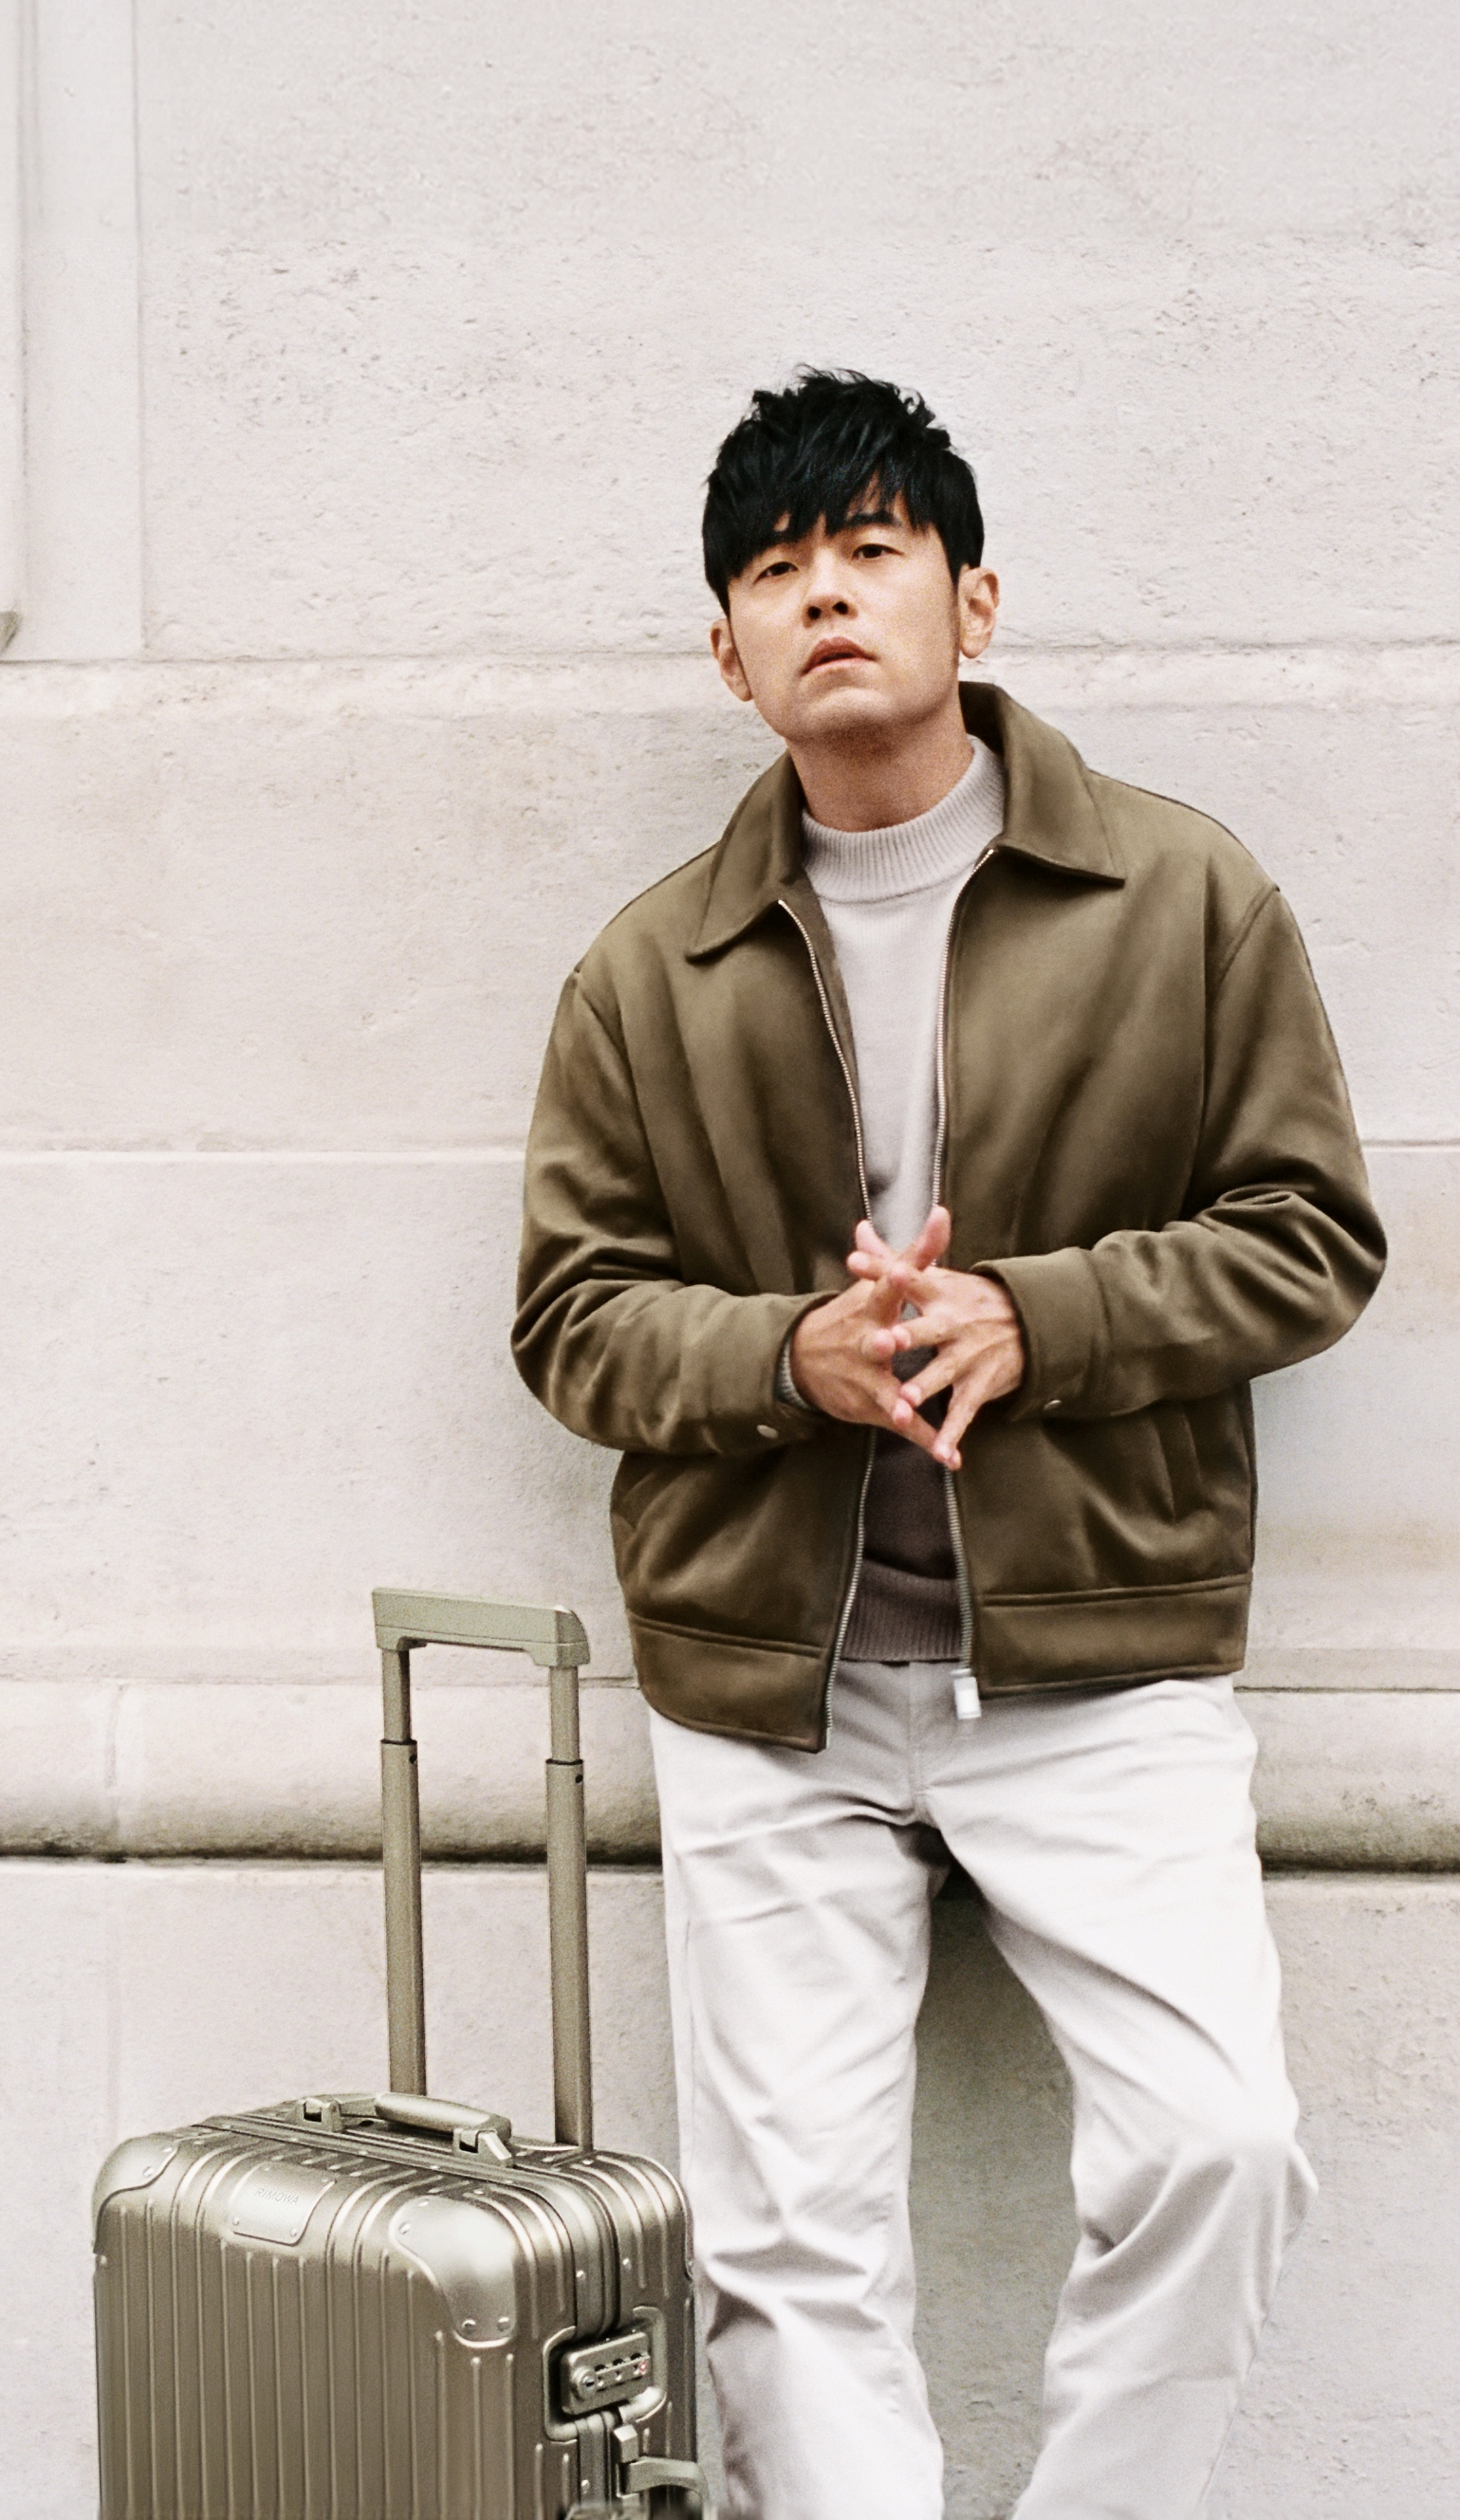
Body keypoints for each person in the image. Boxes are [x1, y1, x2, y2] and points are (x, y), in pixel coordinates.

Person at [510, 370, 1385, 2520]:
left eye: (870, 549)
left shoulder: (1179, 895)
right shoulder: (649, 968)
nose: (824, 595)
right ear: (726, 651)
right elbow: (569, 1316)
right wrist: (786, 1354)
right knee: (785, 2251)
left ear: (972, 598)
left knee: (1218, 2144)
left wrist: (1039, 1314)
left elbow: (1310, 1235)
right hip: (770, 1681)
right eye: (774, 570)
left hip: (1097, 1657)